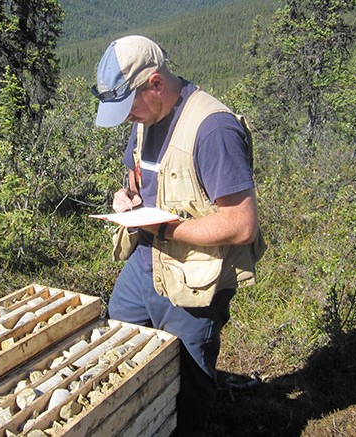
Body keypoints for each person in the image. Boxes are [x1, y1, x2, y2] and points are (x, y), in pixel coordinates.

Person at [91, 35, 265, 436]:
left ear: (155, 83)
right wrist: (127, 197)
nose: (127, 118)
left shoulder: (213, 129)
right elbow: (141, 178)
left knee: (189, 381)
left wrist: (168, 228)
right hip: (143, 266)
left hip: (192, 279)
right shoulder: (145, 117)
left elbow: (241, 224)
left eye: (128, 106)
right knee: (120, 346)